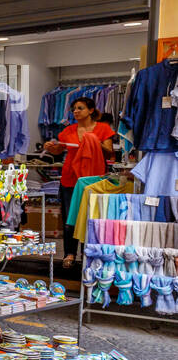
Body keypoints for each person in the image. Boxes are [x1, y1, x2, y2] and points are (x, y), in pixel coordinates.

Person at [44, 97, 115, 267]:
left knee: (92, 217)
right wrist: (51, 148)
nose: (75, 111)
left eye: (80, 108)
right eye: (74, 108)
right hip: (70, 177)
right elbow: (58, 150)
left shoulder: (103, 129)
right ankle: (70, 253)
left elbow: (109, 152)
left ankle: (88, 253)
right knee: (70, 217)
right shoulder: (68, 130)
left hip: (93, 180)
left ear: (91, 110)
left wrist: (93, 141)